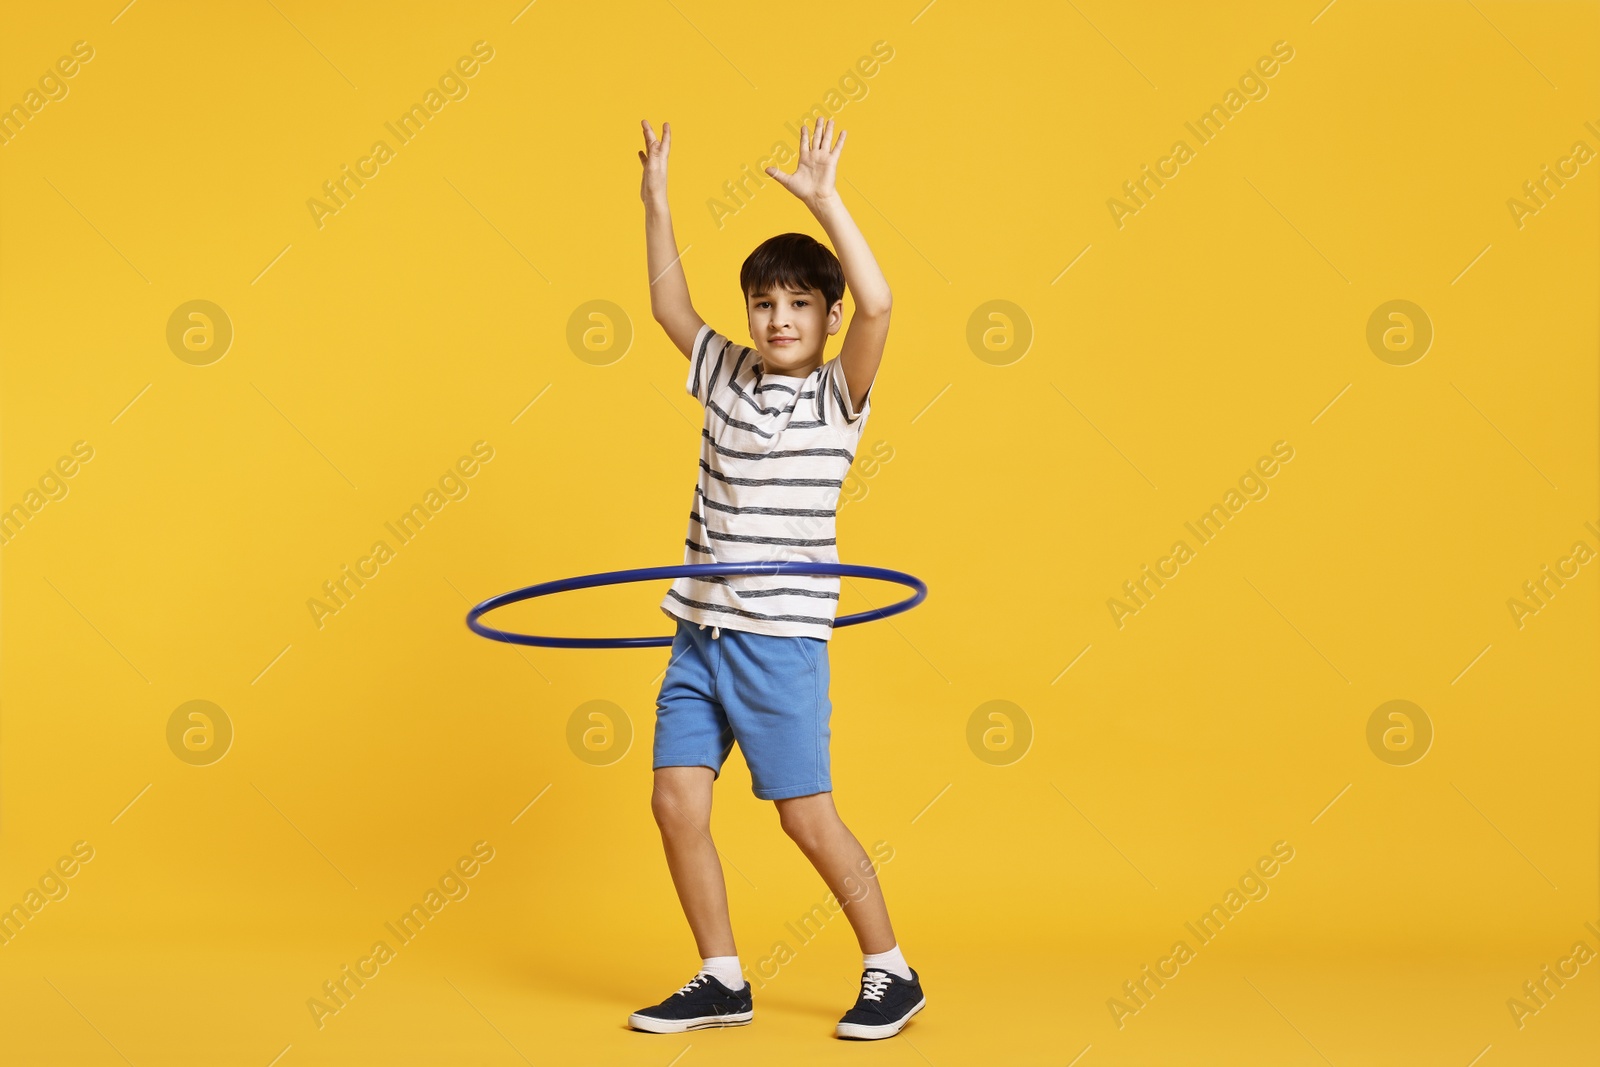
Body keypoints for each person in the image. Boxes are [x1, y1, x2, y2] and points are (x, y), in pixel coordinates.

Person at [626, 117, 924, 1041]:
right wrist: (657, 202)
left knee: (805, 815)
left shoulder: (838, 395)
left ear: (824, 320)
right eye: (763, 303)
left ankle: (891, 967)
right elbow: (671, 310)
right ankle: (721, 978)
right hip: (700, 630)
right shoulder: (723, 371)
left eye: (798, 304)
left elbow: (878, 302)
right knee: (674, 799)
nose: (779, 319)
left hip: (779, 637)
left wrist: (826, 200)